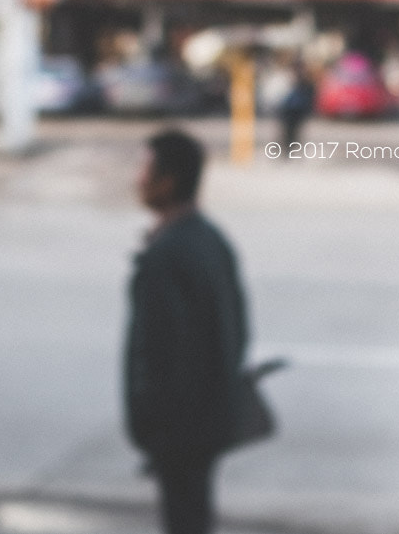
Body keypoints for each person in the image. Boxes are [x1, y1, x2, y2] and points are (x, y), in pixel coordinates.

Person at [124, 128, 247, 534]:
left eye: (144, 169)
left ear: (168, 180)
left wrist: (153, 428)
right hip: (208, 419)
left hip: (178, 431)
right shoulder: (210, 237)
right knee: (194, 517)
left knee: (184, 521)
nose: (136, 179)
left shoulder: (166, 254)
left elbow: (158, 354)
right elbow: (239, 329)